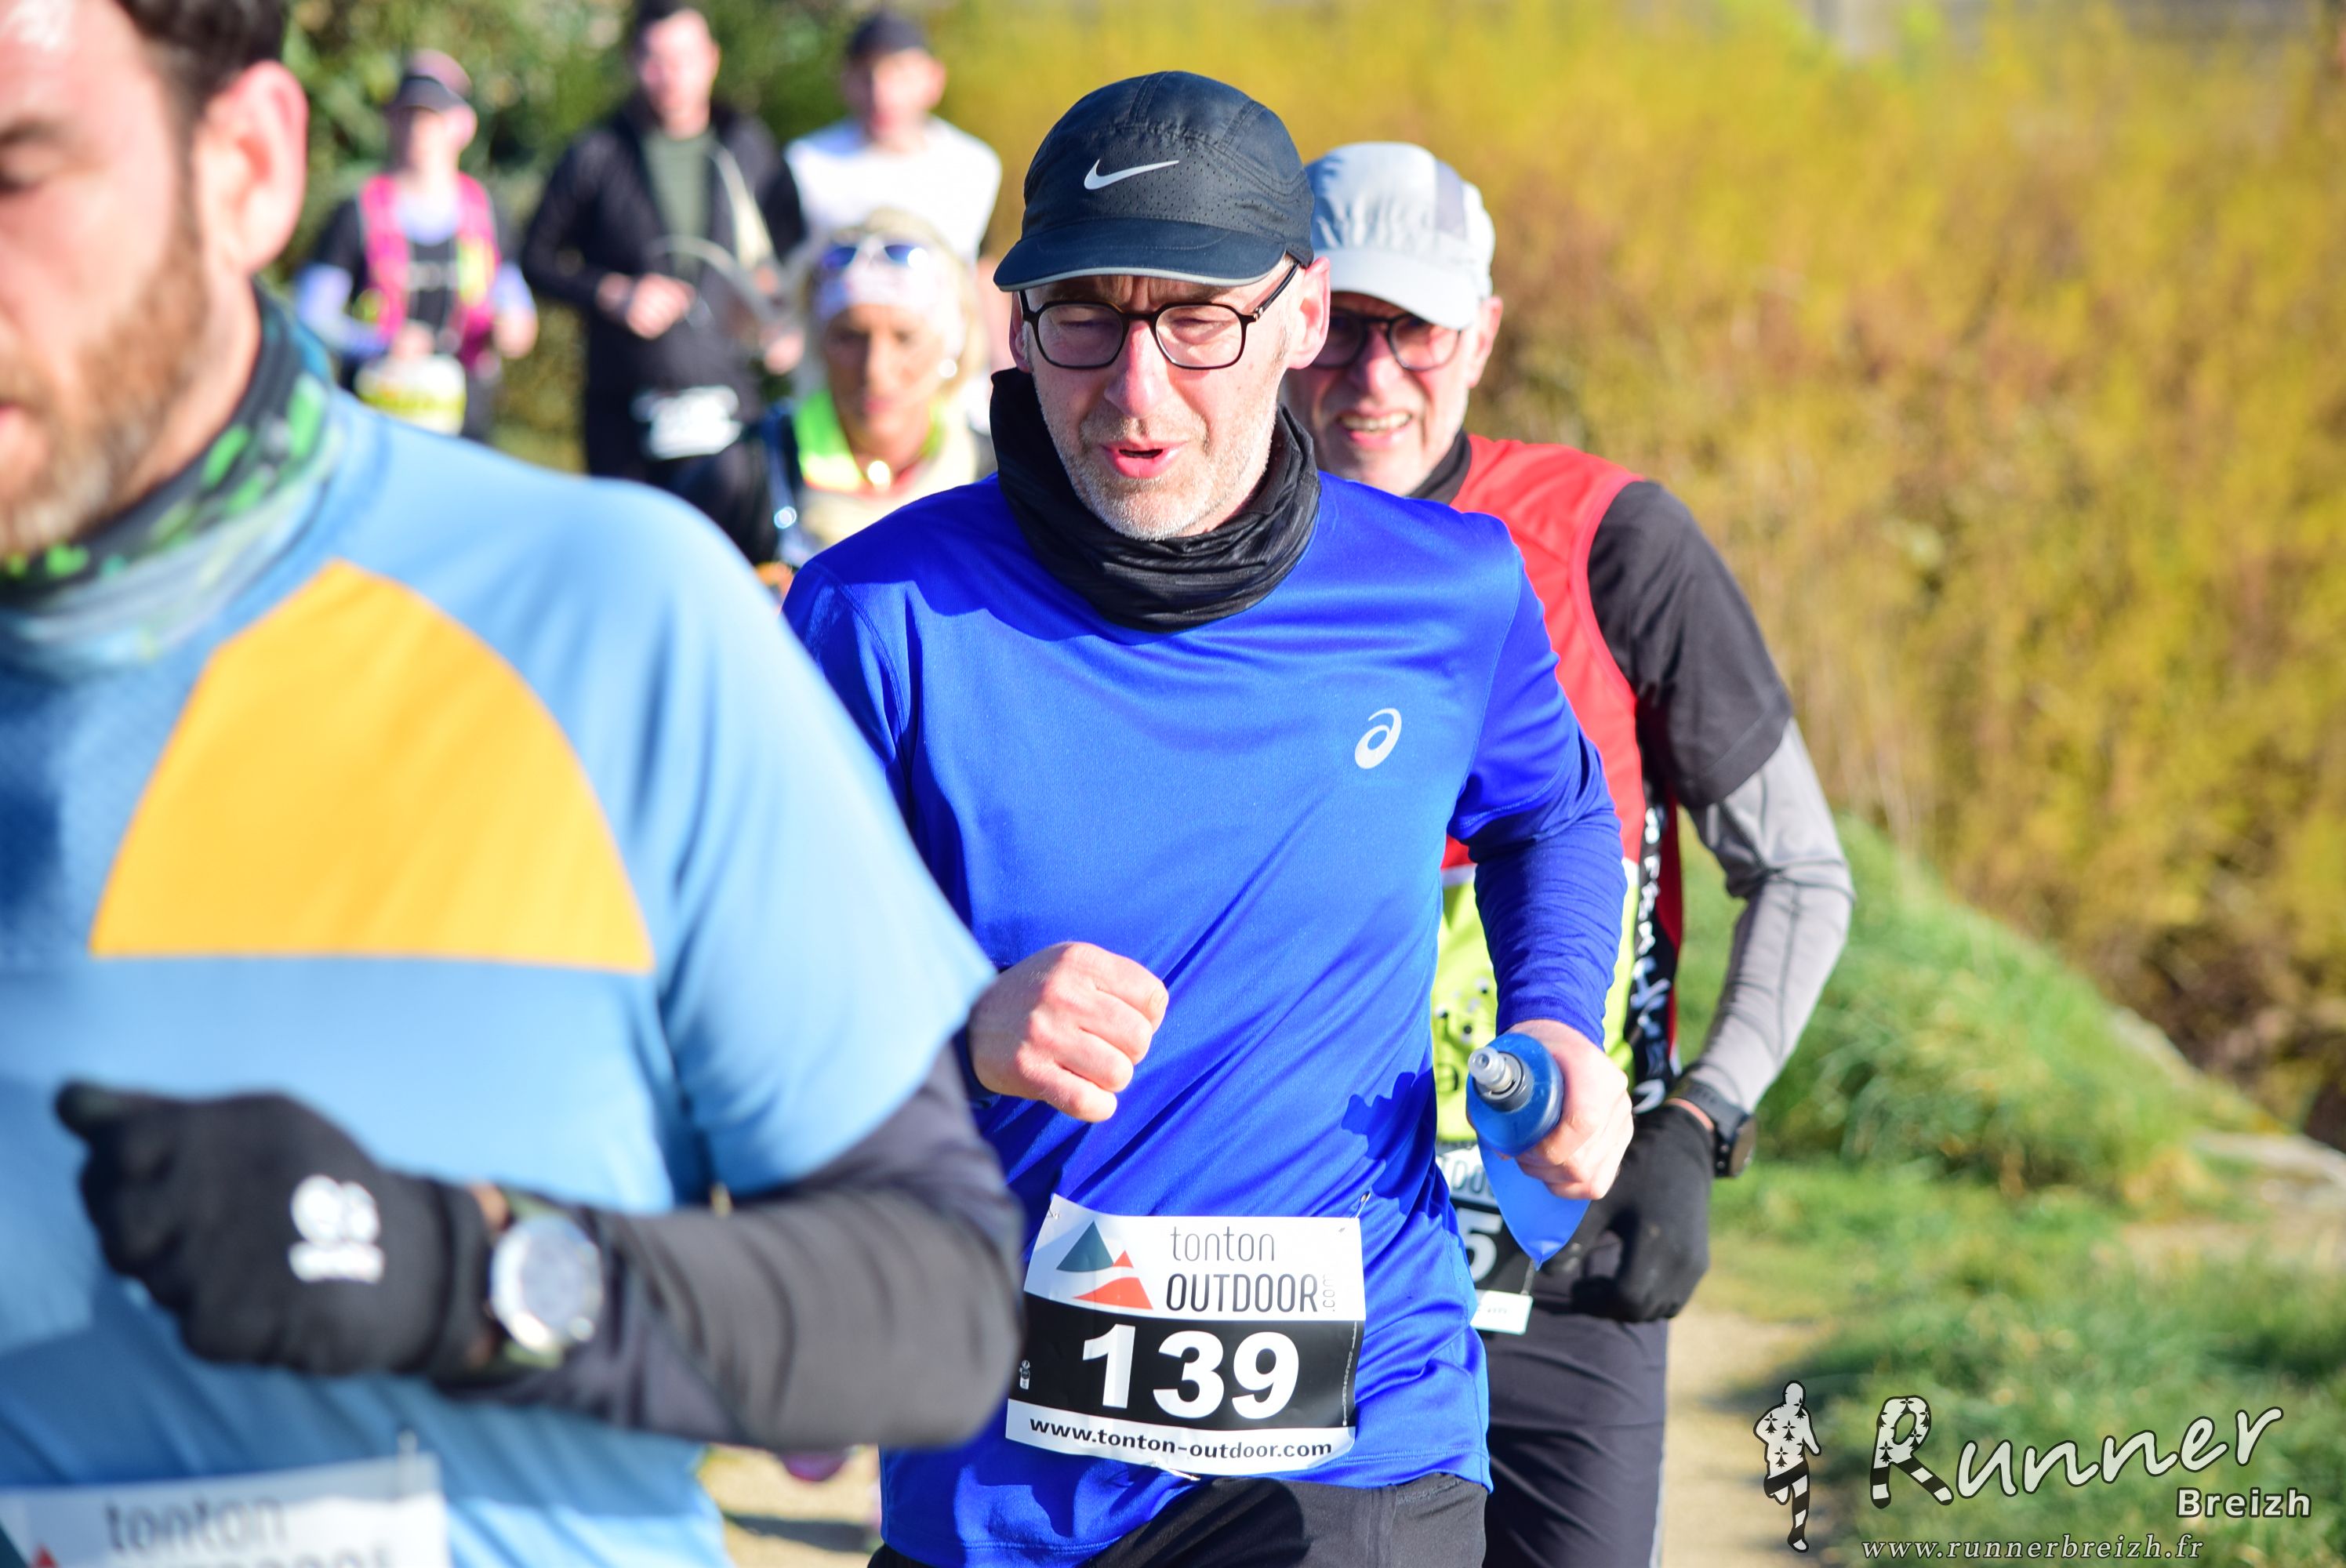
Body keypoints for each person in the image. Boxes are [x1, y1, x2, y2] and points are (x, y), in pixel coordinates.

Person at [0, 5, 1020, 1566]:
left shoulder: (601, 612)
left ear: (247, 166)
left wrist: (461, 1275)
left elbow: (936, 1309)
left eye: (18, 171)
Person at [785, 73, 1637, 1568]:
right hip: (997, 1474)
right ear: (1014, 324)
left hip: (1362, 1441)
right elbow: (748, 976)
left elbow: (1553, 814)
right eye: (1085, 321)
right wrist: (954, 1022)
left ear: (1301, 314)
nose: (1136, 392)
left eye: (1195, 323)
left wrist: (1561, 1020)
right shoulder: (878, 612)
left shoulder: (1446, 593)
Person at [1283, 141, 1857, 1568]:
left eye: (1414, 331)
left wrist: (1700, 1121)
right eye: (1341, 328)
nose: (1372, 377)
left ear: (1480, 336)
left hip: (1556, 1224)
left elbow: (1798, 871)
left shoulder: (1611, 540)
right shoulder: (1197, 555)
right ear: (1283, 323)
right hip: (1291, 1226)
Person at [521, 0, 805, 561]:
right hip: (626, 411)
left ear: (712, 60)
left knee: (731, 563)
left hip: (727, 403)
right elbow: (535, 257)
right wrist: (612, 293)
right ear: (632, 62)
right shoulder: (598, 152)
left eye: (684, 58)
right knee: (630, 561)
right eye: (654, 59)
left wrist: (784, 321)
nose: (670, 75)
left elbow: (794, 252)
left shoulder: (746, 145)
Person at [292, 51, 536, 441]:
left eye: (432, 116)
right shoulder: (356, 214)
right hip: (377, 424)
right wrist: (379, 343)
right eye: (408, 115)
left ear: (463, 126)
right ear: (390, 121)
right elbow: (311, 314)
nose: (420, 130)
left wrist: (514, 328)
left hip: (465, 429)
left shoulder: (488, 214)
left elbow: (514, 301)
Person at [765, 209, 994, 572]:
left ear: (953, 343)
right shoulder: (752, 476)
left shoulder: (1001, 478)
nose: (875, 369)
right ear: (818, 345)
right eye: (849, 337)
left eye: (905, 337)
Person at [785, 10, 1001, 264]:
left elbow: (984, 266)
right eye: (866, 76)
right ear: (844, 80)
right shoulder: (805, 163)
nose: (882, 94)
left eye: (900, 73)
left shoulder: (974, 167)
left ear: (933, 79)